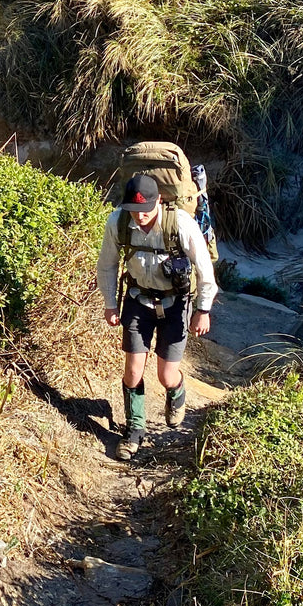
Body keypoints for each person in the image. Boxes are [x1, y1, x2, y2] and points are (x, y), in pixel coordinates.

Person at [97, 172, 217, 459]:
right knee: (133, 371)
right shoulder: (119, 222)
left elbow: (204, 270)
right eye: (134, 211)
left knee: (166, 375)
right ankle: (134, 431)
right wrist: (110, 304)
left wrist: (202, 310)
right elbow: (107, 266)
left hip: (175, 304)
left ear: (159, 201)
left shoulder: (181, 225)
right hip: (138, 301)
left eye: (145, 211)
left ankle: (176, 392)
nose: (139, 217)